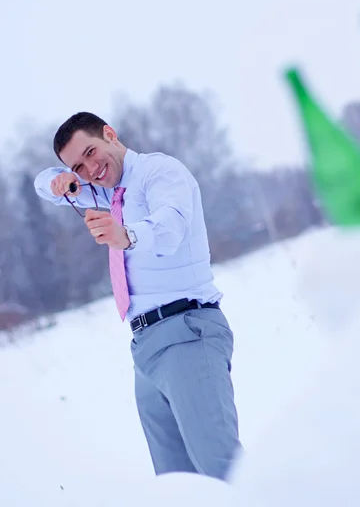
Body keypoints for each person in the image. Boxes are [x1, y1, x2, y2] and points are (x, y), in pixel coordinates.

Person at [34, 111, 243, 481]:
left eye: (91, 152)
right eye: (77, 166)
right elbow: (43, 184)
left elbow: (170, 226)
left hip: (186, 333)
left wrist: (126, 236)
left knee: (221, 469)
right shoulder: (102, 187)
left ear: (110, 135)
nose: (89, 169)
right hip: (145, 350)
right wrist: (59, 180)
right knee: (179, 485)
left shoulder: (158, 173)